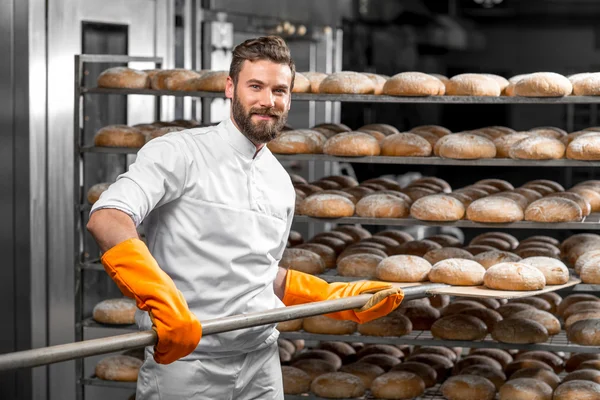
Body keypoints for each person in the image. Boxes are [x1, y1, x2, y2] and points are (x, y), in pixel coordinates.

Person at [87, 36, 403, 400]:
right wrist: (159, 298)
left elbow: (260, 272)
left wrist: (334, 296)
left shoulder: (280, 181)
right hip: (189, 366)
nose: (268, 101)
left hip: (261, 361)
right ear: (230, 88)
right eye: (256, 86)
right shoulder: (180, 152)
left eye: (279, 90)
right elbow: (107, 217)